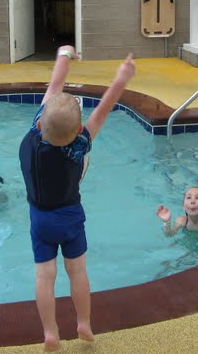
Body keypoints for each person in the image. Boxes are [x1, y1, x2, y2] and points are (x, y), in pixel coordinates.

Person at [19, 45, 135, 353]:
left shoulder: (33, 134)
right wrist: (121, 79)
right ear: (79, 130)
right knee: (78, 272)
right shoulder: (80, 144)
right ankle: (83, 323)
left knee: (44, 276)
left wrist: (64, 53)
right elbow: (103, 111)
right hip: (70, 216)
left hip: (41, 218)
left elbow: (55, 84)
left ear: (41, 123)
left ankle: (50, 331)